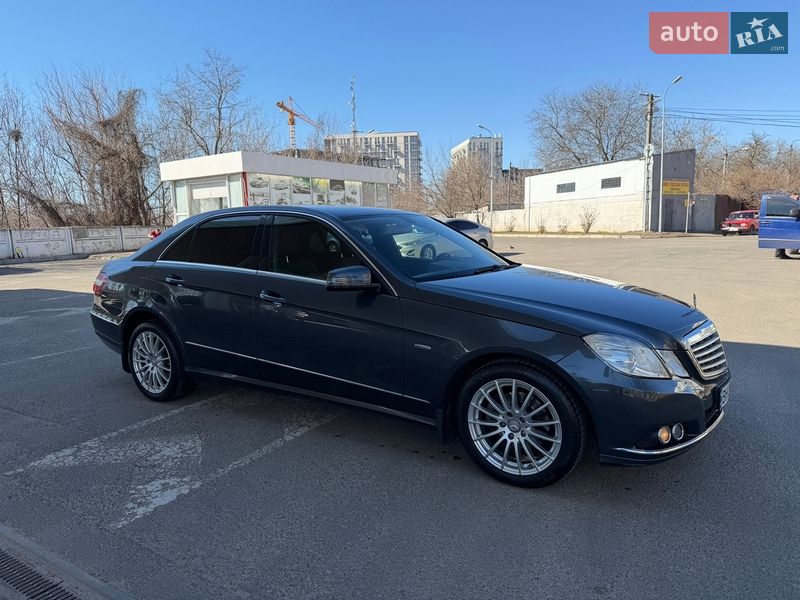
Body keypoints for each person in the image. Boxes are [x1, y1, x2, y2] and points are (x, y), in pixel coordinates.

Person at [776, 192, 800, 258]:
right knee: (782, 236)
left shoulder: (793, 203)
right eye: (796, 197)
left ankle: (779, 253)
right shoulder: (788, 204)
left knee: (783, 237)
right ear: (792, 196)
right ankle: (780, 253)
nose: (797, 199)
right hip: (786, 221)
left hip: (790, 222)